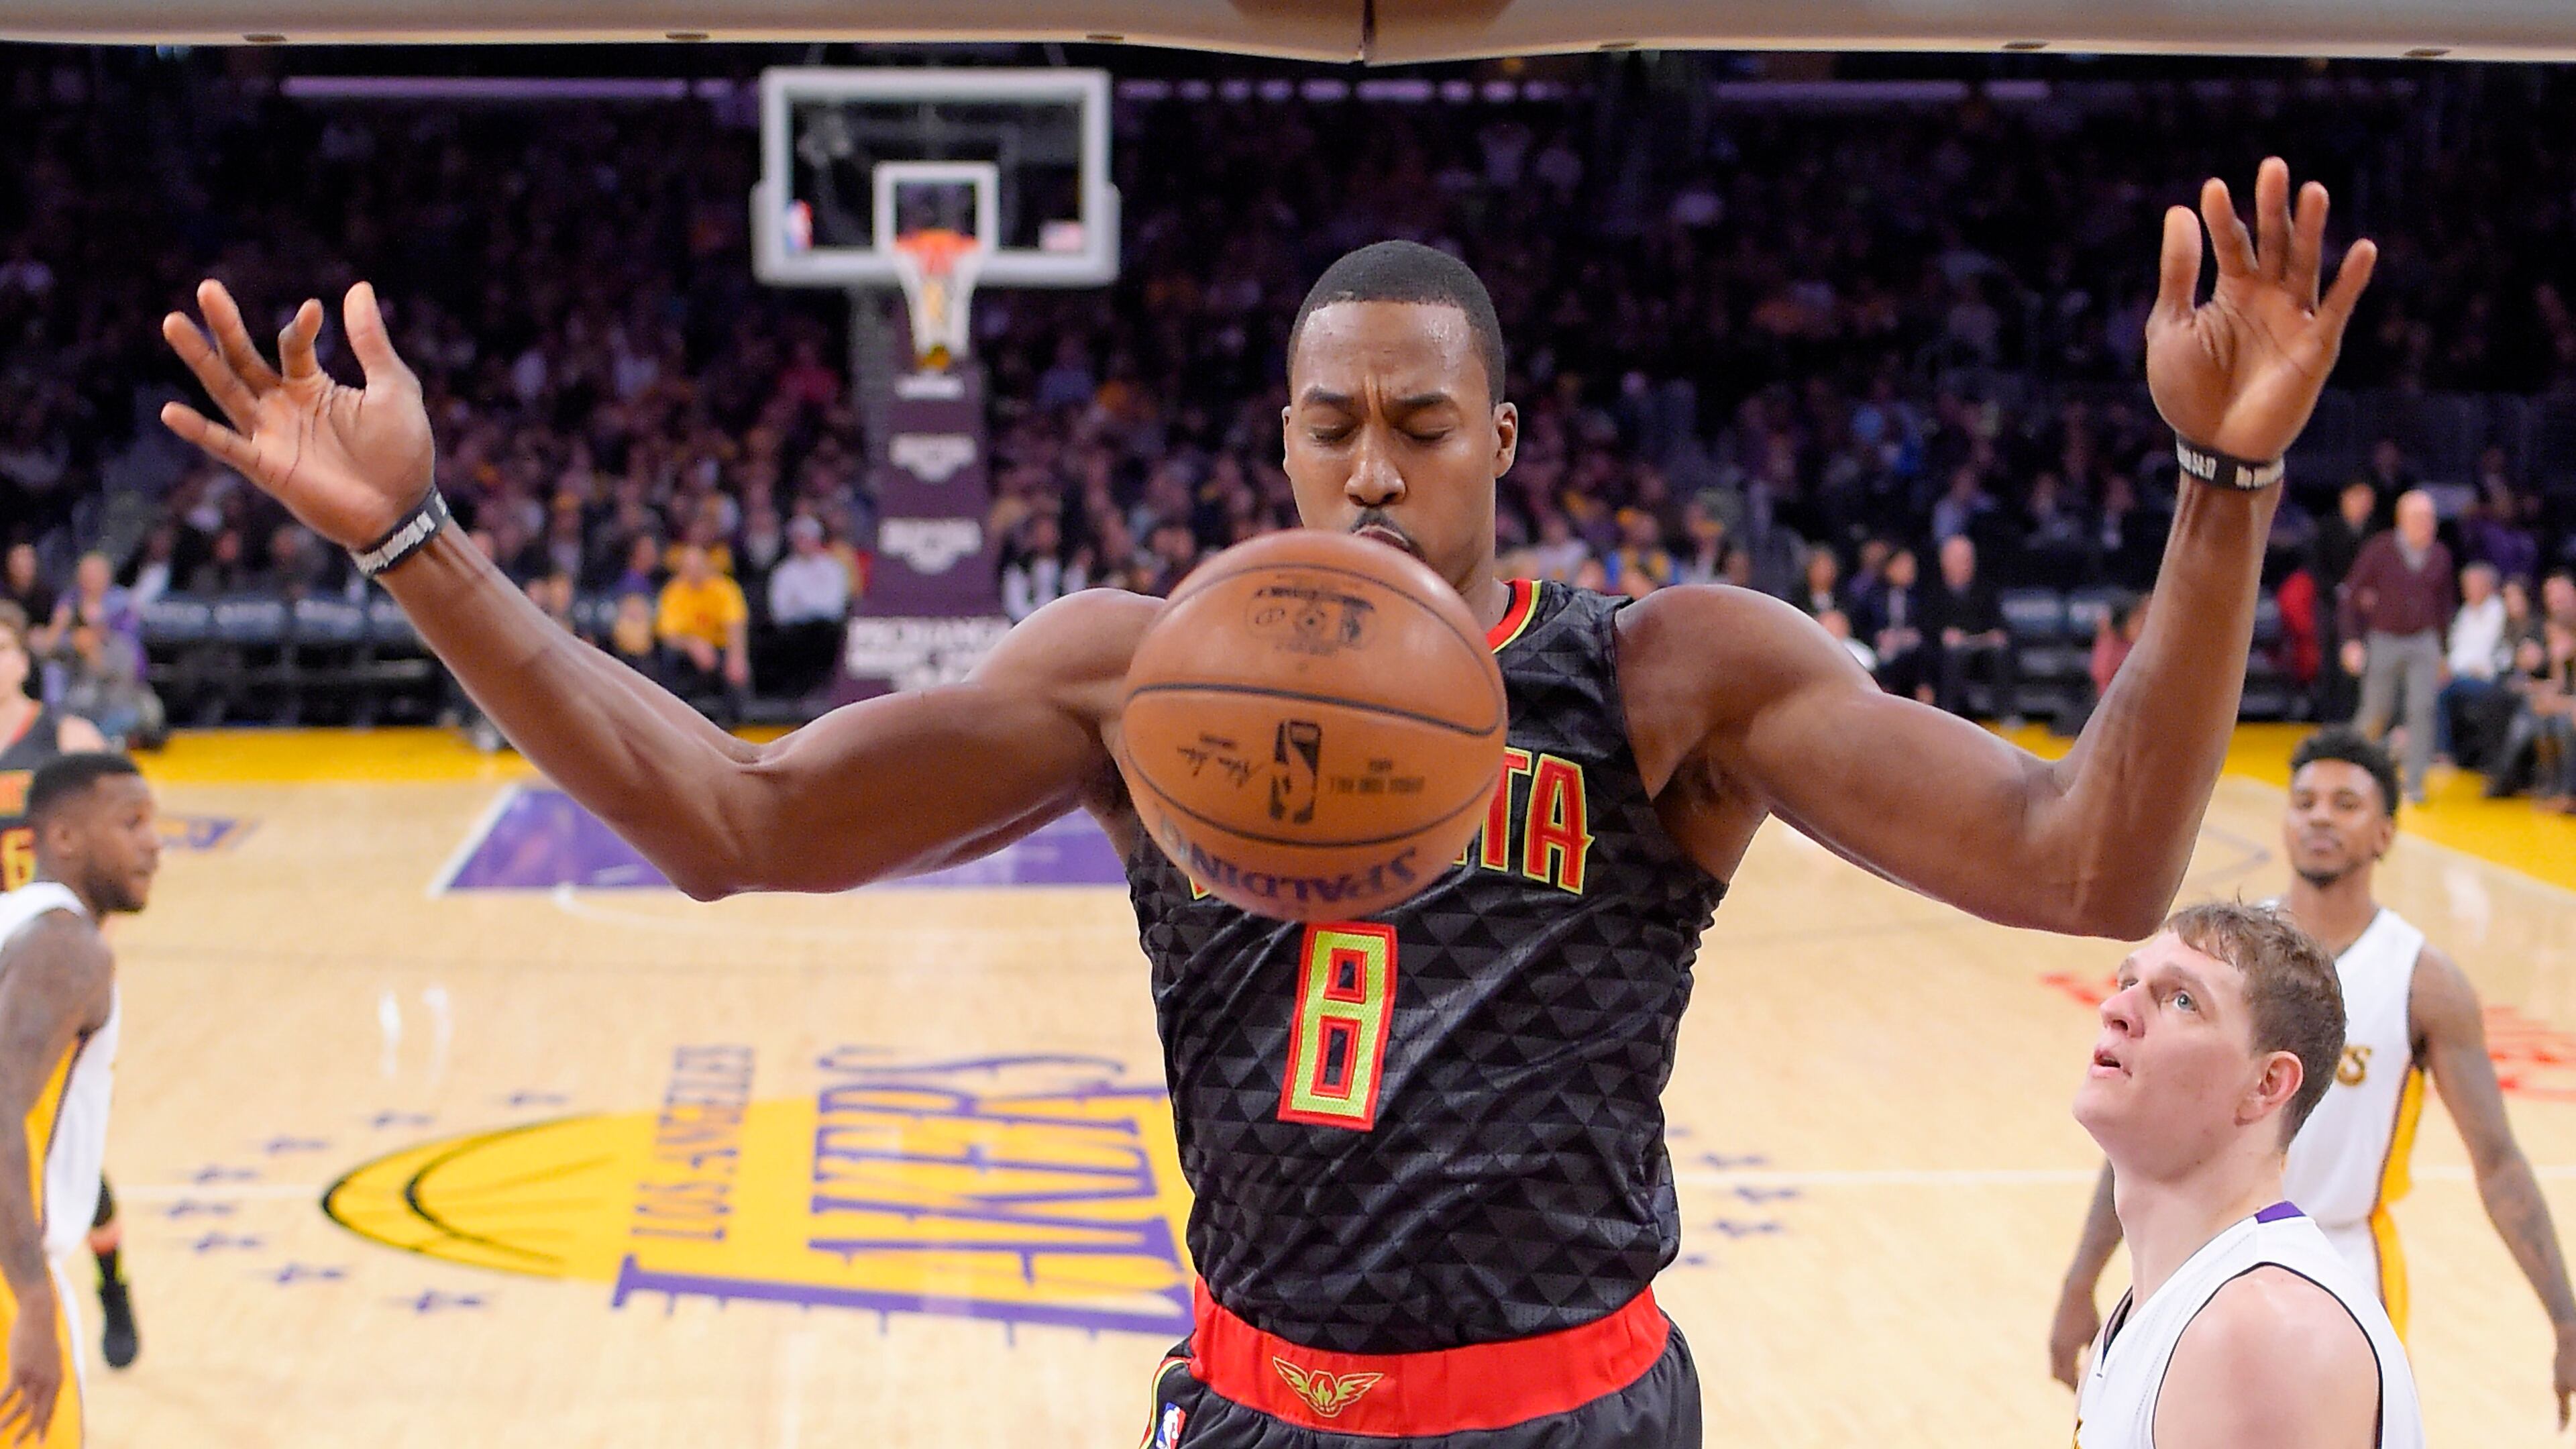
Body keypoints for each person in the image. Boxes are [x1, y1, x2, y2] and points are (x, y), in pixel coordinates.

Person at [160, 159, 2375, 1447]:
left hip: (1568, 1415)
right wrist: (411, 547)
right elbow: (739, 824)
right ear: (1284, 435)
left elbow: (2086, 859)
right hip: (1248, 1407)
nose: (1376, 468)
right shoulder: (1139, 670)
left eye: (1425, 421)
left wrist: (2222, 478)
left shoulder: (1664, 672)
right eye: (1335, 425)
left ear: (1508, 437)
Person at [2052, 729, 2576, 1424]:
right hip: (2198, 1240)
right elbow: (2147, 1133)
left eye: (2345, 803)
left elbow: (2499, 1163)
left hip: (2343, 1255)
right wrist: (2082, 1277)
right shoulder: (2224, 958)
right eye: (2304, 802)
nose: (2320, 816)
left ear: (2386, 831)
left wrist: (2564, 1318)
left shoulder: (2423, 981)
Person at [2064, 901, 2422, 1448]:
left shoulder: (2260, 1334)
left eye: (2181, 1000)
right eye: (2128, 981)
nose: (2116, 1008)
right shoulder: (2157, 1311)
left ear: (2267, 1083)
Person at [0, 753, 161, 1446]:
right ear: (63, 838)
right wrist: (32, 1299)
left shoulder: (16, 922)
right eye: (130, 823)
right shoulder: (68, 949)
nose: (153, 842)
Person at [0, 611, 131, 1370]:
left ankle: (112, 1280)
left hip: (47, 974)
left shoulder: (66, 740)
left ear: (25, 659)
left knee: (60, 1151)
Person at [2340, 489, 2455, 804]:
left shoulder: (2440, 555)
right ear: (2402, 519)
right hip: (2385, 638)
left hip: (2424, 640)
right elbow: (2351, 595)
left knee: (2423, 709)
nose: (2427, 524)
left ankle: (2414, 782)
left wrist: (2444, 652)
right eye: (2419, 517)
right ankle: (2351, 770)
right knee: (2376, 711)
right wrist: (2352, 641)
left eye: (2431, 518)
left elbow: (2445, 606)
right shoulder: (2381, 549)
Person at [1925, 535, 2019, 723]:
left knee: (2001, 651)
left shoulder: (1986, 588)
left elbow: (2000, 624)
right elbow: (1926, 628)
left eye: (1968, 559)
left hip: (1981, 648)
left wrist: (1995, 634)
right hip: (1946, 653)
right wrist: (1945, 635)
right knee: (1952, 653)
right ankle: (1949, 712)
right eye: (1959, 559)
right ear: (1945, 561)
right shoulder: (1931, 592)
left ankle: (2006, 713)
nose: (1965, 565)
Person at [653, 541, 750, 720]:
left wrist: (737, 657)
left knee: (737, 668)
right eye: (688, 567)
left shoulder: (724, 588)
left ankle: (736, 723)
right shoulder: (673, 592)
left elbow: (735, 624)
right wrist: (693, 644)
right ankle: (675, 718)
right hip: (688, 653)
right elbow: (668, 634)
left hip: (720, 649)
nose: (693, 572)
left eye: (698, 566)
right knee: (669, 657)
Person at [2436, 562, 2510, 768]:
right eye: (2466, 585)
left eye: (2474, 584)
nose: (2468, 590)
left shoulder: (2500, 612)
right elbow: (2455, 650)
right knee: (2427, 682)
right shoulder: (2464, 613)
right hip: (2458, 676)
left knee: (2442, 691)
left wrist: (2477, 669)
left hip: (2487, 678)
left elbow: (2503, 653)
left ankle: (2444, 754)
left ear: (2488, 586)